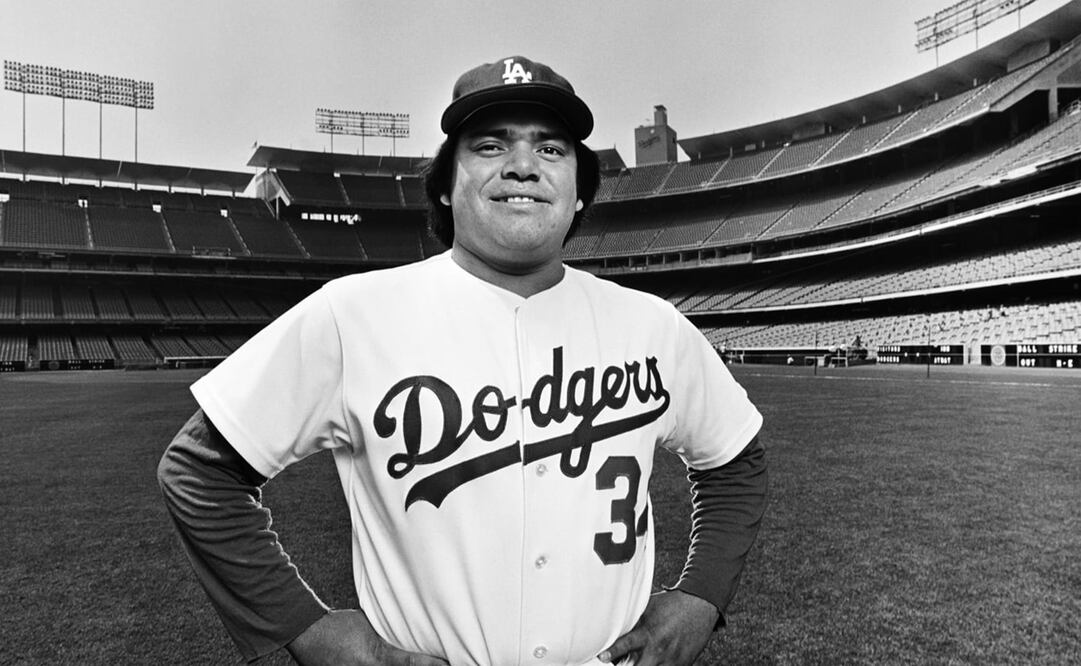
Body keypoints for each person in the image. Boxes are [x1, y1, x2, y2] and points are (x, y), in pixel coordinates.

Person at [158, 55, 767, 666]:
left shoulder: (652, 325)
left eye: (551, 149)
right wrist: (312, 633)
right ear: (446, 184)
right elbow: (198, 472)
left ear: (580, 191)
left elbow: (736, 460)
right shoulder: (352, 315)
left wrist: (701, 595)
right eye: (490, 144)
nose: (523, 166)